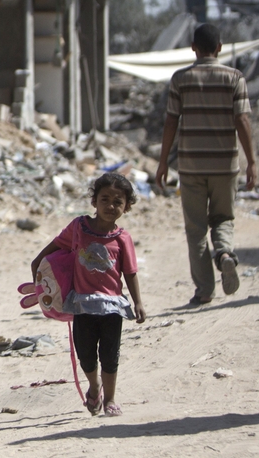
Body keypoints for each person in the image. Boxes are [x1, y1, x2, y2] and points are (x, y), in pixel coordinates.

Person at [155, 22, 256, 306]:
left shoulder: (180, 79)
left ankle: (204, 291)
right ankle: (224, 254)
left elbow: (171, 121)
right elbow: (243, 120)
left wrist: (163, 162)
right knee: (223, 217)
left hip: (191, 166)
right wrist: (252, 162)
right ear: (220, 48)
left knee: (196, 228)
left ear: (193, 49)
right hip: (225, 165)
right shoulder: (235, 78)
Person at [30, 173, 145, 417]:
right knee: (86, 355)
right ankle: (94, 387)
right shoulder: (79, 228)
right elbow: (55, 247)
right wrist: (38, 269)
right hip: (81, 304)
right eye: (105, 199)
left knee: (110, 355)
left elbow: (130, 272)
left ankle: (110, 399)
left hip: (112, 305)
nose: (111, 206)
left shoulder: (123, 238)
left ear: (127, 206)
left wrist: (138, 303)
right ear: (94, 201)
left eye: (118, 201)